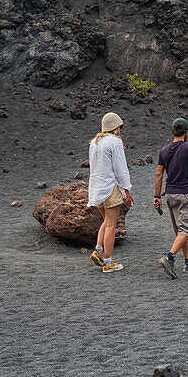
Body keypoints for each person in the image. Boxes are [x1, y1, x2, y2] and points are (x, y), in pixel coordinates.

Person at [153, 117, 188, 279]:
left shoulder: (164, 151)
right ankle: (169, 257)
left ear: (173, 132)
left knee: (180, 231)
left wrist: (157, 196)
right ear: (186, 131)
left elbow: (159, 175)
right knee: (185, 230)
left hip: (169, 195)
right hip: (184, 194)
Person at [87, 112, 133, 273]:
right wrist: (126, 189)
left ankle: (98, 251)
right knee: (112, 225)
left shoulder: (95, 142)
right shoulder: (115, 142)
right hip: (110, 188)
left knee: (106, 221)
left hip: (96, 188)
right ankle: (108, 262)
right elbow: (121, 168)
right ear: (117, 127)